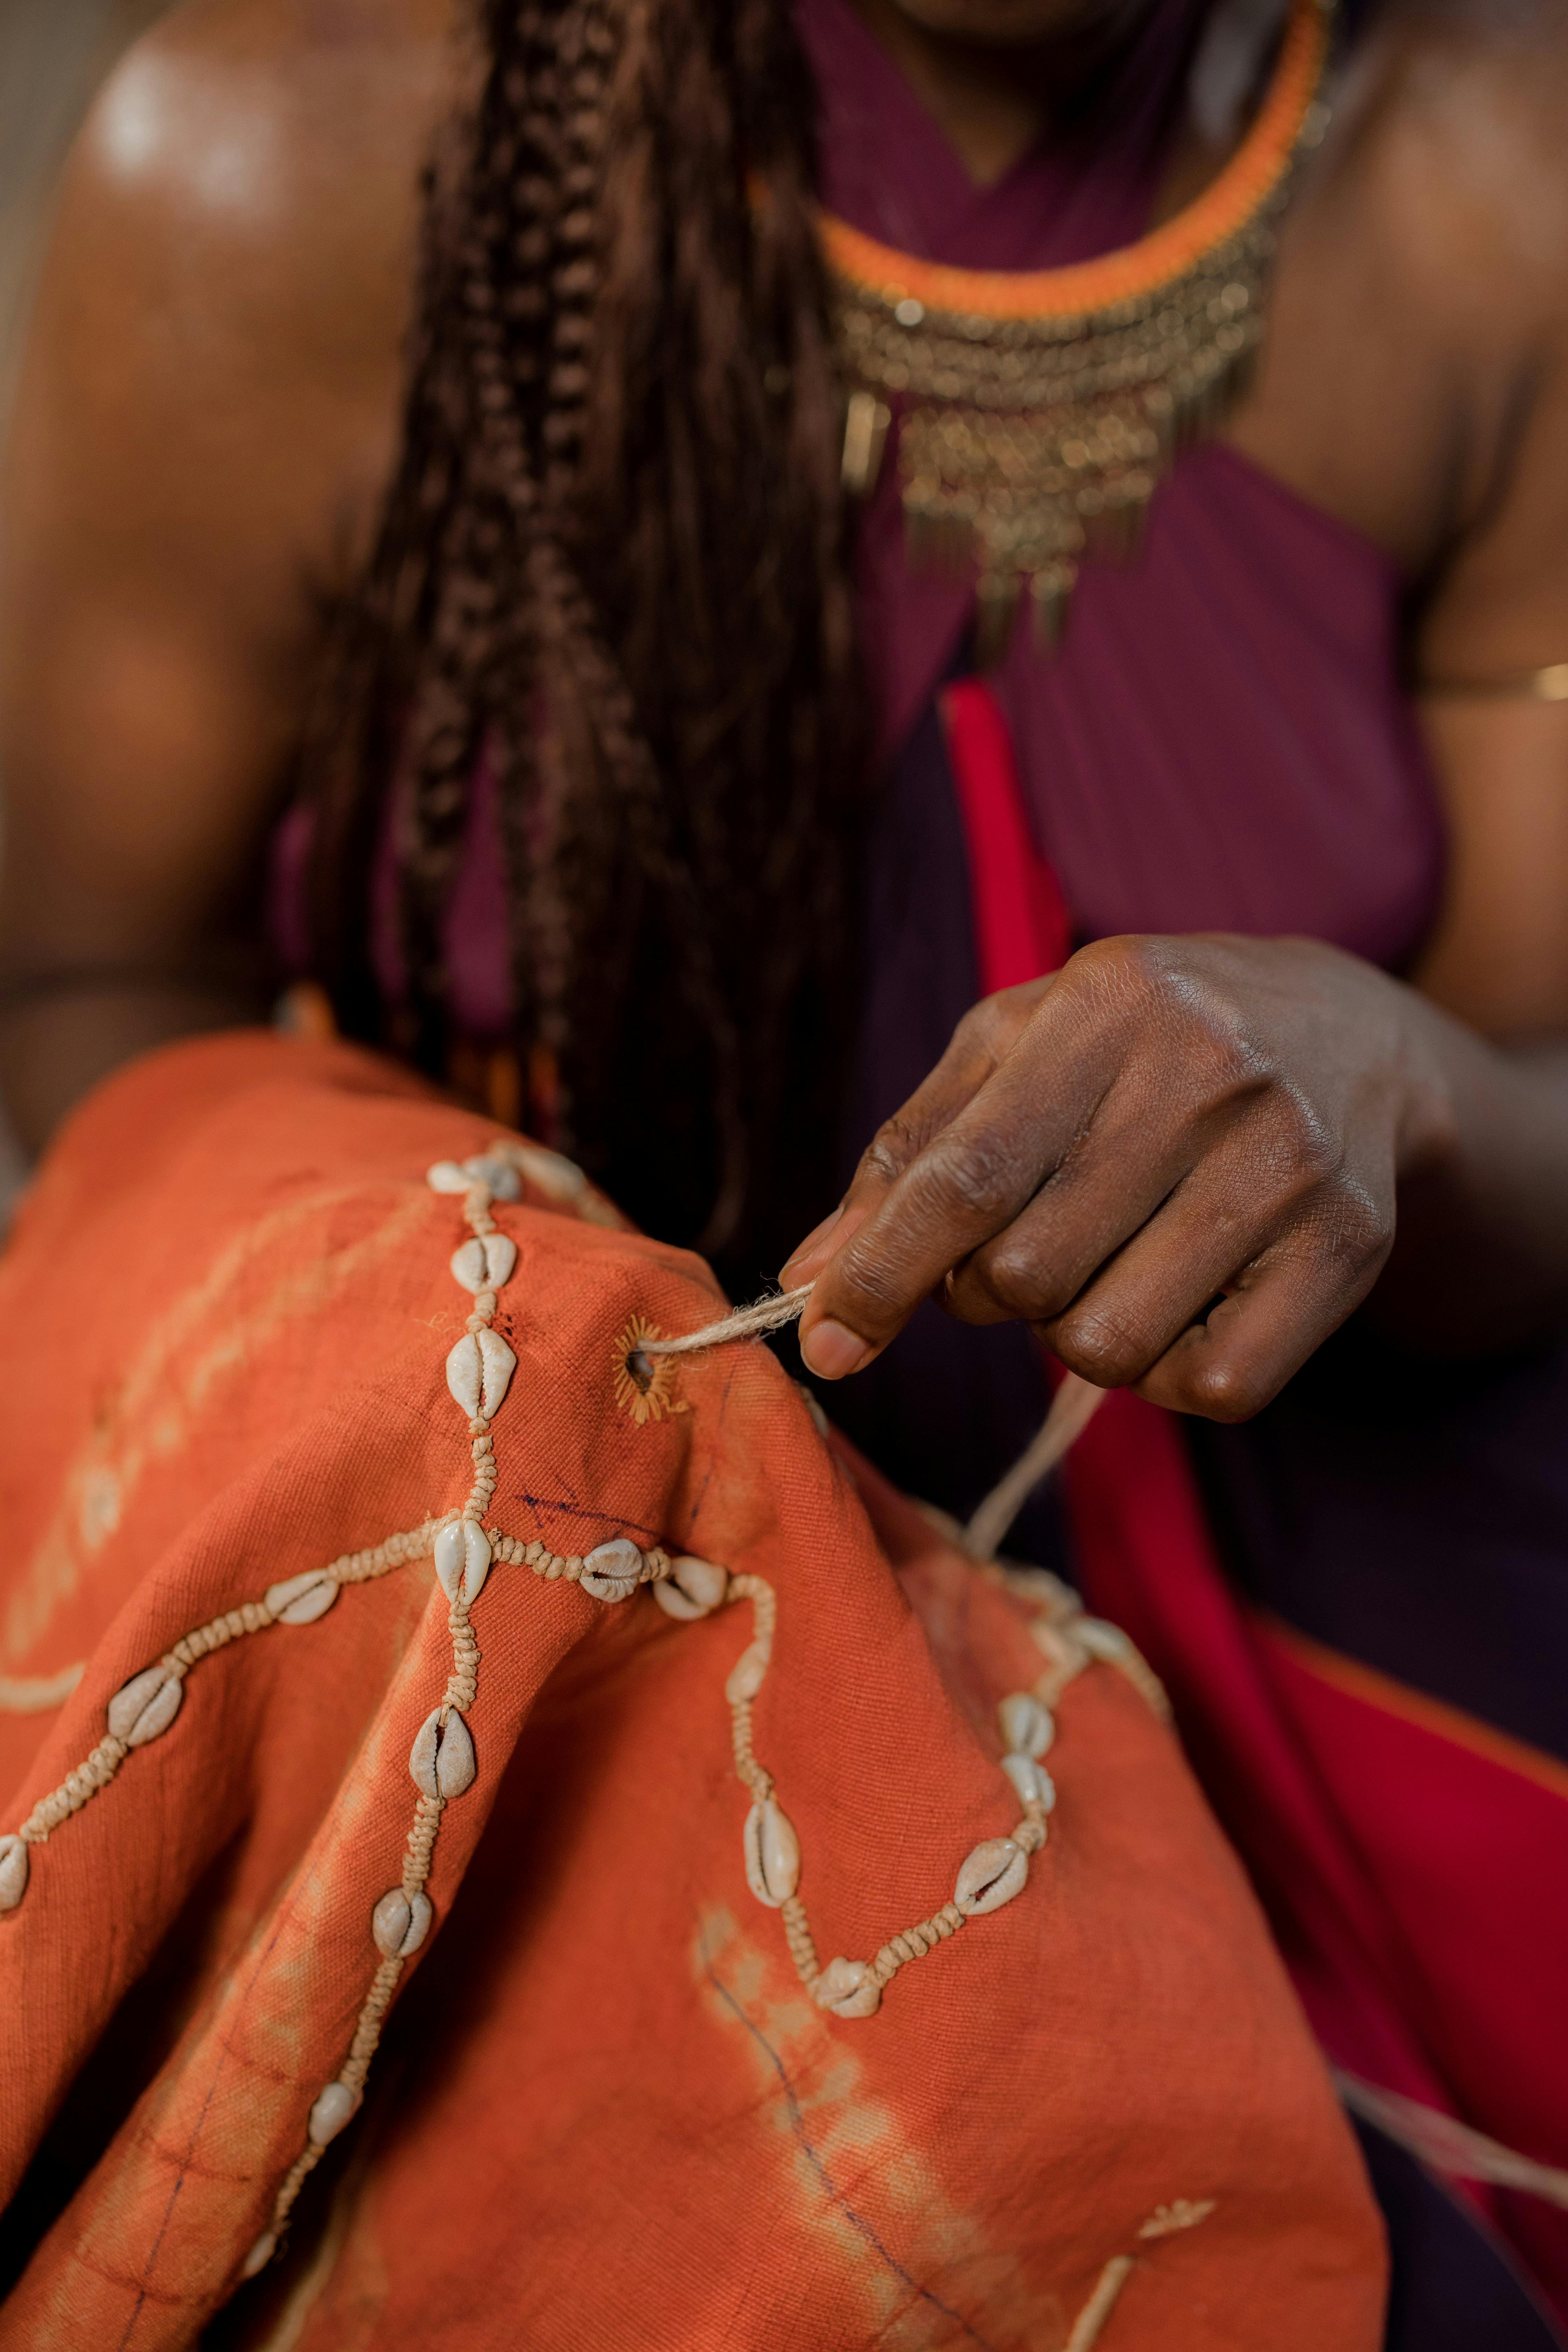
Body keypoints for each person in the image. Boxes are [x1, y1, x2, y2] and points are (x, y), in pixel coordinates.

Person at [0, 0, 1566, 2337]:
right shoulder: (282, 152)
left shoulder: (1497, 158)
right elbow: (75, 990)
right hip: (515, 1600)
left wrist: (1398, 1079)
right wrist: (470, 1323)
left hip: (1317, 1587)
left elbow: (1544, 1111)